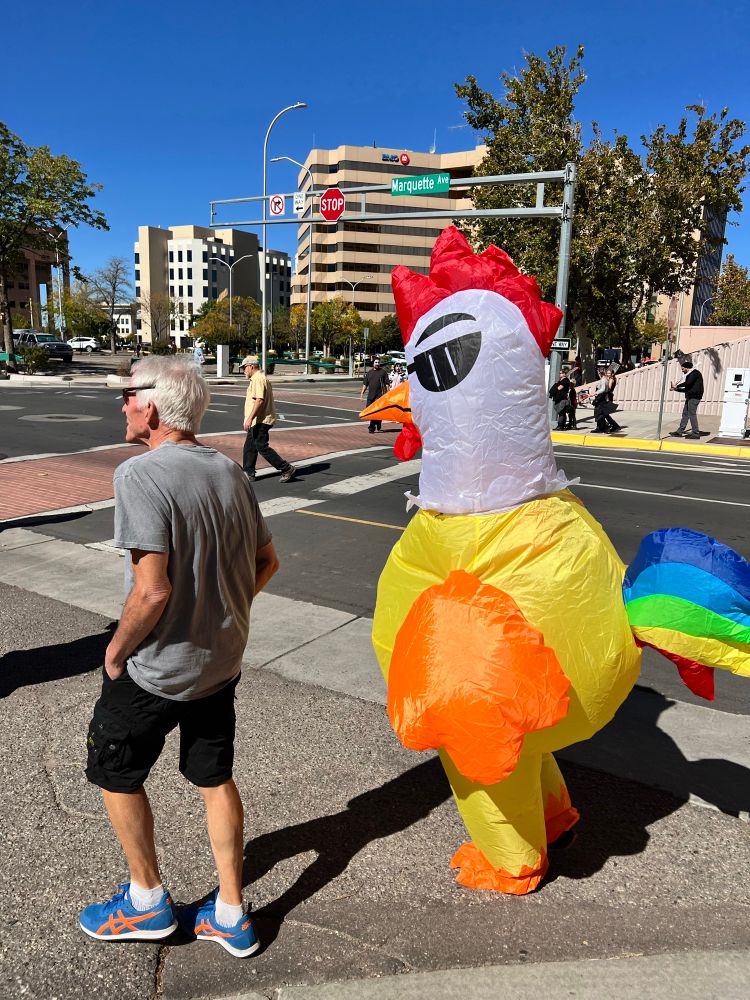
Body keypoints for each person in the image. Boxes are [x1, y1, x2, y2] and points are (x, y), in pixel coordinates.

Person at [79, 356, 279, 959]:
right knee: (214, 778)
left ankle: (146, 901)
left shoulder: (141, 475)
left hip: (158, 667)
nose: (122, 404)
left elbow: (152, 591)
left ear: (153, 406)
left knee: (116, 772)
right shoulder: (231, 471)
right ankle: (231, 913)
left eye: (127, 395)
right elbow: (267, 562)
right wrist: (220, 611)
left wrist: (116, 651)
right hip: (220, 664)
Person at [241, 355, 296, 482]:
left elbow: (259, 400)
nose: (243, 371)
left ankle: (286, 468)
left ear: (251, 366)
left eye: (244, 368)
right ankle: (249, 472)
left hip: (261, 419)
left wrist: (249, 418)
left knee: (261, 446)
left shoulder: (258, 379)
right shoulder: (257, 379)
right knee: (250, 446)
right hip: (258, 420)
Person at [669, 359, 704, 439]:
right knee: (685, 414)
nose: (682, 370)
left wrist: (677, 386)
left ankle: (695, 433)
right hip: (690, 396)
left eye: (683, 369)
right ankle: (679, 432)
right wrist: (676, 389)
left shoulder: (695, 373)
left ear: (687, 368)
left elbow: (687, 384)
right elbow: (687, 388)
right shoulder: (690, 375)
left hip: (694, 397)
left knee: (692, 414)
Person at [361, 358, 390, 433]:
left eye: (378, 362)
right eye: (376, 362)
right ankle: (378, 421)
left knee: (375, 411)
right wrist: (362, 393)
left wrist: (388, 393)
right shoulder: (369, 373)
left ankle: (371, 427)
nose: (377, 364)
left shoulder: (383, 372)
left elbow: (387, 384)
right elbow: (365, 384)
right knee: (370, 411)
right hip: (371, 396)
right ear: (373, 364)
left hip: (379, 396)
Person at [591, 367, 622, 433]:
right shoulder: (608, 379)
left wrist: (596, 393)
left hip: (606, 397)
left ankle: (606, 427)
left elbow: (607, 389)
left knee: (602, 413)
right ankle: (610, 426)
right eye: (607, 373)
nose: (608, 374)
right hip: (606, 396)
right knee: (604, 413)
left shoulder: (610, 380)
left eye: (609, 373)